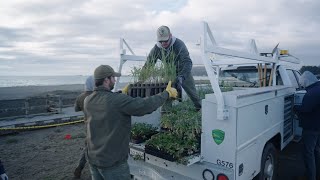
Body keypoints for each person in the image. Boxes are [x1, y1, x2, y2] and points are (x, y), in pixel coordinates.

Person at [84, 65, 177, 180]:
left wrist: (120, 93)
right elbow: (144, 106)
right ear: (106, 80)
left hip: (93, 159)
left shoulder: (88, 100)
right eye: (113, 77)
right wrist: (166, 94)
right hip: (112, 163)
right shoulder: (117, 101)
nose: (115, 80)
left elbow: (108, 102)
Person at [143, 25, 201, 111]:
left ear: (170, 36)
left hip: (183, 71)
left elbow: (187, 62)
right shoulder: (156, 49)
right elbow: (148, 65)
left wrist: (182, 77)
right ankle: (166, 118)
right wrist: (140, 80)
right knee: (166, 96)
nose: (163, 43)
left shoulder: (179, 44)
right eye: (161, 41)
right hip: (169, 74)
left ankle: (200, 110)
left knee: (193, 95)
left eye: (165, 41)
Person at [294, 71, 320, 180]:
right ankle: (316, 174)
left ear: (306, 80)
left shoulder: (312, 93)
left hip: (311, 128)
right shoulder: (317, 89)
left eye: (302, 83)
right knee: (315, 151)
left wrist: (295, 108)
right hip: (317, 127)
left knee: (308, 153)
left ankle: (310, 177)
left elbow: (305, 109)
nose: (301, 86)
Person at [73, 75, 95, 178]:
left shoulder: (81, 97)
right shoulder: (98, 96)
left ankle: (80, 167)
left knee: (88, 147)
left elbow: (76, 109)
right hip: (101, 125)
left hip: (88, 125)